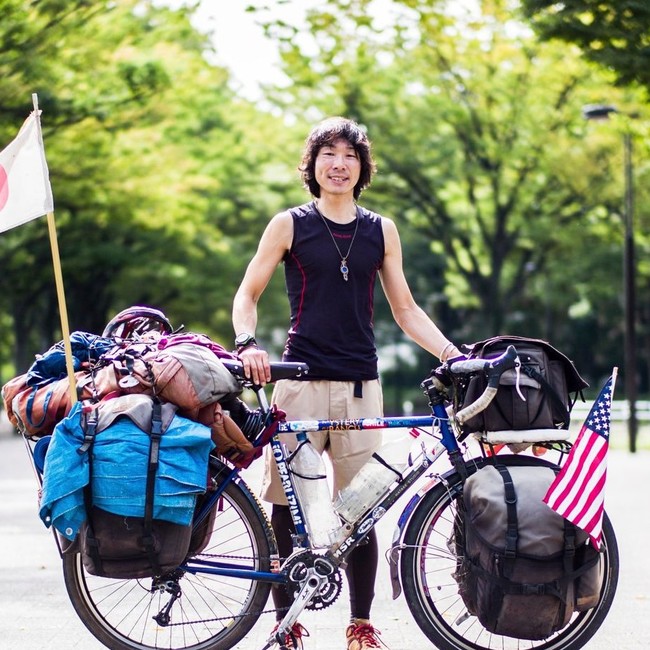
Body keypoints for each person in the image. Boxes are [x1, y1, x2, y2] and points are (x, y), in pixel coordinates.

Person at [231, 116, 462, 650]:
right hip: (298, 383)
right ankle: (285, 624)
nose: (339, 164)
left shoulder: (381, 230)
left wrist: (453, 355)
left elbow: (404, 309)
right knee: (286, 508)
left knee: (361, 508)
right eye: (328, 154)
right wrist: (248, 344)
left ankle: (360, 626)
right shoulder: (288, 224)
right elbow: (248, 293)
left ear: (362, 167)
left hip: (362, 385)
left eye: (350, 155)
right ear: (312, 166)